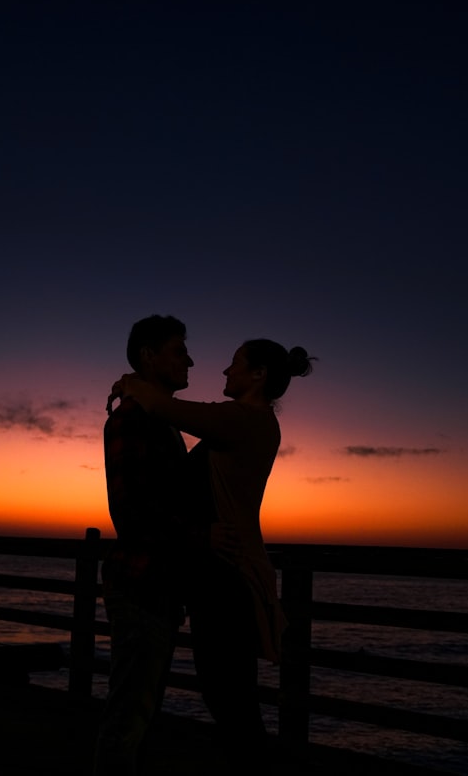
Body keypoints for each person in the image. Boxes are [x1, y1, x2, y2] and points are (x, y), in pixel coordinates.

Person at [112, 338, 315, 766]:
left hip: (229, 576)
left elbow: (164, 407)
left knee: (231, 701)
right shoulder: (251, 422)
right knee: (230, 697)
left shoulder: (242, 419)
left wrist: (129, 382)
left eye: (234, 363)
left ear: (258, 374)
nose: (225, 371)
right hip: (222, 574)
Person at [93, 314, 205, 776]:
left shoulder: (160, 419)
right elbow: (131, 513)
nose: (190, 361)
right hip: (141, 585)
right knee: (129, 714)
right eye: (179, 351)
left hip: (158, 586)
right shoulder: (133, 419)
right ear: (148, 356)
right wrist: (200, 535)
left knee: (140, 710)